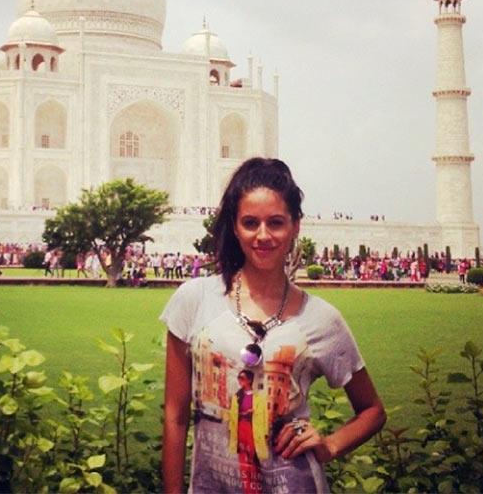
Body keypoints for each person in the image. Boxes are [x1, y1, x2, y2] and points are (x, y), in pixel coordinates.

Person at [161, 157, 385, 494]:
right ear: (234, 227)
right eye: (250, 222)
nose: (262, 235)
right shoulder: (195, 298)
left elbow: (372, 411)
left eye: (276, 223)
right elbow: (176, 416)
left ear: (296, 225)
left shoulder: (320, 318)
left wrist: (329, 446)